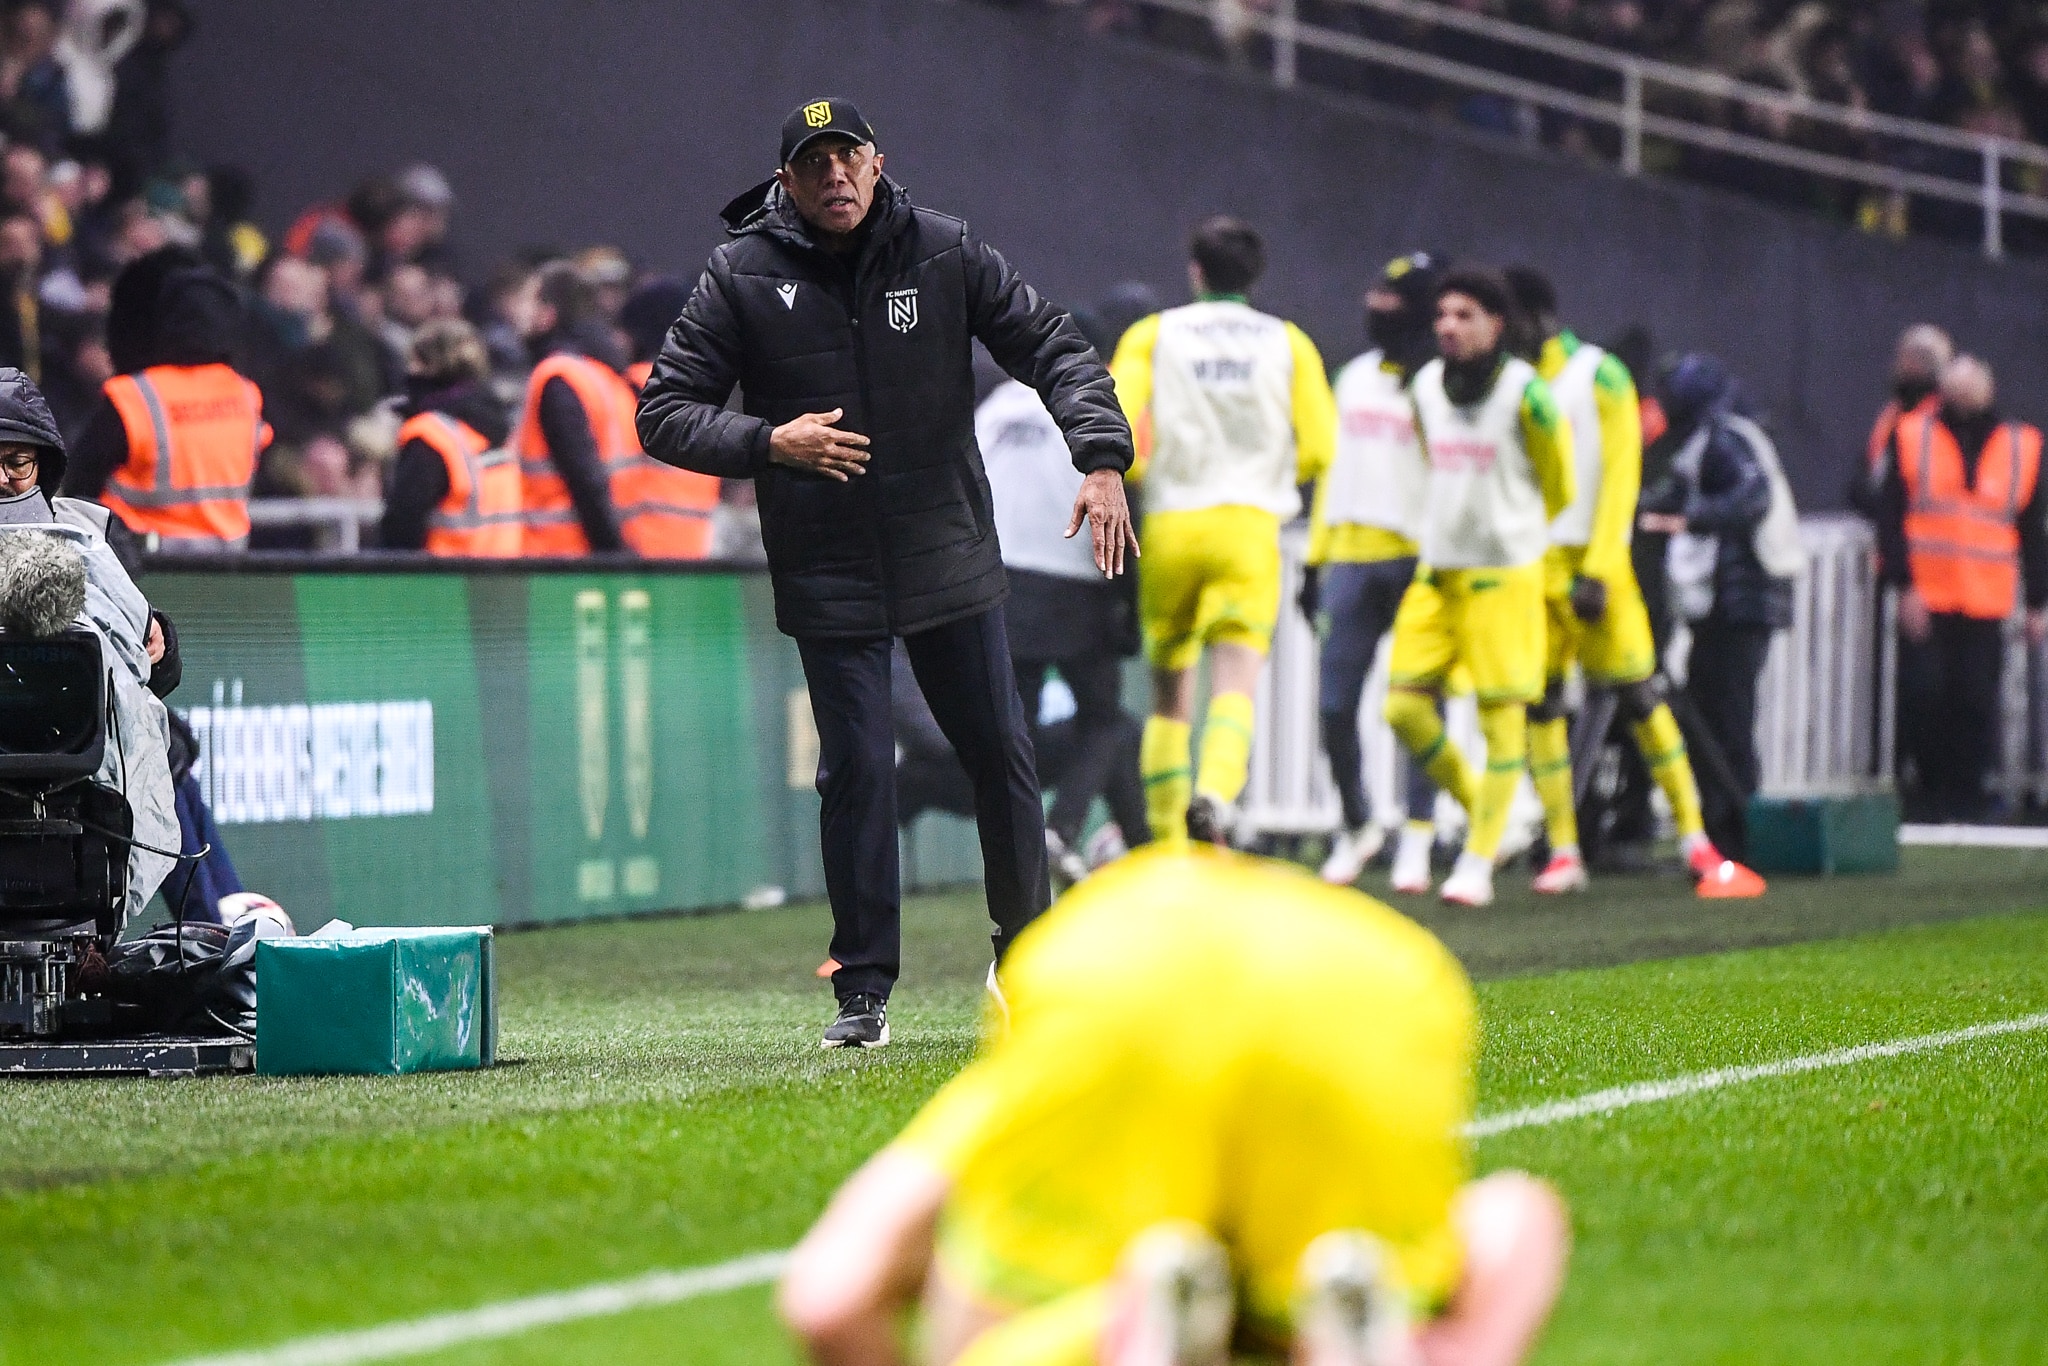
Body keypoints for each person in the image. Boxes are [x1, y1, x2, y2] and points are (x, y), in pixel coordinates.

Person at [636, 98, 1136, 1049]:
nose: (834, 177)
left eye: (848, 157)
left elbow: (1056, 347)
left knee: (1001, 754)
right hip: (829, 567)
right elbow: (663, 411)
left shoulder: (945, 251)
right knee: (857, 768)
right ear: (786, 182)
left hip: (944, 548)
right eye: (813, 163)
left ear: (877, 163)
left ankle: (1023, 963)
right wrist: (765, 441)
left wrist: (1101, 454)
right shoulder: (741, 271)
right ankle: (863, 993)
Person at [777, 846, 1570, 1366]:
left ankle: (1120, 1333)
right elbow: (1520, 1217)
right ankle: (1386, 1348)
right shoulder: (1363, 956)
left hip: (1112, 978)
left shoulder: (1030, 1063)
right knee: (1473, 1230)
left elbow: (829, 1295)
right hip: (1365, 973)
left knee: (989, 1301)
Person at [1504, 267, 1761, 898]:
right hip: (1530, 565)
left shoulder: (1600, 375)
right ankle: (1563, 851)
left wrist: (1598, 565)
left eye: (1501, 317)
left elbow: (1620, 476)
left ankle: (1699, 846)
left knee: (1642, 696)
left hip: (1595, 566)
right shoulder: (1509, 383)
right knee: (1541, 705)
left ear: (1536, 315)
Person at [1109, 216, 1335, 847]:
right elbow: (1321, 447)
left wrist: (1149, 474)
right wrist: (1271, 475)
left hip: (1174, 524)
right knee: (1236, 680)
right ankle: (1214, 793)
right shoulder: (1289, 343)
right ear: (1254, 276)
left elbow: (1121, 427)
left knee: (1168, 693)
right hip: (1249, 527)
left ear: (1196, 272)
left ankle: (1163, 840)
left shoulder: (1153, 335)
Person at [1384, 269, 1573, 908]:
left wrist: (1513, 533)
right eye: (1442, 314)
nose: (1448, 326)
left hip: (1504, 575)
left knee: (1502, 725)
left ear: (1497, 323)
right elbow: (1430, 461)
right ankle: (1496, 815)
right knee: (1402, 708)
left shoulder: (1529, 394)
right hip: (1437, 573)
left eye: (1465, 314)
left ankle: (1477, 862)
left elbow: (1560, 483)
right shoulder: (1426, 387)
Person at [0, 366, 178, 925]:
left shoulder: (92, 532)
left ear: (43, 464)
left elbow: (150, 667)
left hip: (75, 770)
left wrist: (160, 640)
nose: (2, 478)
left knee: (173, 751)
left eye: (16, 462)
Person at [979, 298, 1149, 885]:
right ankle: (1062, 830)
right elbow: (1127, 500)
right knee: (1107, 722)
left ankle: (1028, 850)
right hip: (1078, 583)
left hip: (999, 582)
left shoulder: (1000, 405)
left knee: (1015, 734)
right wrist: (1128, 601)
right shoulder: (1102, 401)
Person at [1304, 250, 1444, 889]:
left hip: (1420, 559)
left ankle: (1418, 833)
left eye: (1395, 300)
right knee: (1333, 705)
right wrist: (1315, 558)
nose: (1378, 308)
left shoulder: (1444, 383)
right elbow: (1334, 469)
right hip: (1351, 560)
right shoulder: (1354, 376)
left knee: (1415, 705)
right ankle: (1359, 822)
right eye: (1376, 296)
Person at [1644, 355, 1802, 862]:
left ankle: (1737, 836)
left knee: (1726, 718)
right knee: (1711, 714)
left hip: (1742, 600)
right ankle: (1721, 833)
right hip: (1730, 602)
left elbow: (1751, 497)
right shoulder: (1715, 436)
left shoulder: (1724, 438)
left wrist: (1688, 518)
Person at [1875, 354, 2046, 821]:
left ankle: (1968, 795)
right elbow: (1890, 517)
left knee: (1975, 699)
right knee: (1925, 695)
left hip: (1987, 599)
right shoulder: (1913, 434)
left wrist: (2036, 603)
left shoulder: (2020, 445)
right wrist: (1904, 586)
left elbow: (2032, 529)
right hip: (1928, 596)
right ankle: (1928, 792)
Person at [59, 262, 270, 553]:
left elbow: (79, 480)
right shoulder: (246, 395)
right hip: (225, 570)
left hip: (140, 569)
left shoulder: (136, 396)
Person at [515, 261, 717, 559]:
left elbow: (587, 483)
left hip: (561, 560)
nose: (518, 311)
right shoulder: (605, 377)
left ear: (548, 312)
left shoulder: (560, 378)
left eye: (527, 299)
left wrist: (616, 555)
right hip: (649, 556)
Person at [379, 318, 522, 556]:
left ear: (428, 366)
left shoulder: (431, 436)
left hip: (443, 582)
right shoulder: (502, 428)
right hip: (503, 578)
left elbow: (401, 528)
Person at [1851, 323, 1951, 516]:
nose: (1897, 365)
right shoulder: (1894, 412)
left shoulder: (1941, 417)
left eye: (1904, 358)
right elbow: (1870, 465)